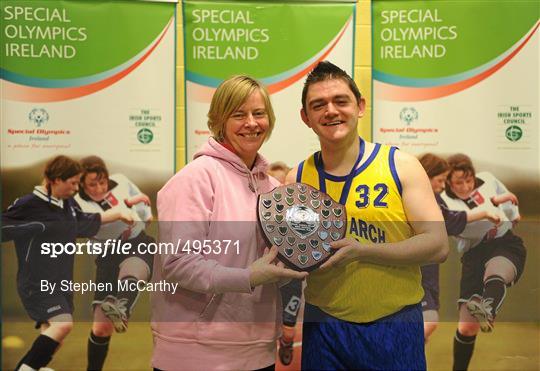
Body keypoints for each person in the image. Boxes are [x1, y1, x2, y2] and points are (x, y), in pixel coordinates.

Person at [285, 61, 448, 370]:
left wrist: (363, 251)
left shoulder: (400, 165)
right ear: (306, 118)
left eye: (340, 101)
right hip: (324, 325)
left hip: (394, 321)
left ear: (359, 106)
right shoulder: (297, 178)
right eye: (318, 105)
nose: (330, 110)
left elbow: (438, 245)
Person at [152, 75, 307, 371]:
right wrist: (249, 276)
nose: (251, 123)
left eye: (259, 113)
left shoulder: (272, 187)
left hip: (258, 349)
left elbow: (276, 263)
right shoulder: (194, 179)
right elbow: (179, 263)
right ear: (219, 120)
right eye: (239, 114)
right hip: (195, 354)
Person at [1, 155, 132, 371]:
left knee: (53, 336)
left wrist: (118, 213)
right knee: (63, 325)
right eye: (72, 183)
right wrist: (30, 229)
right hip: (38, 282)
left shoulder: (67, 204)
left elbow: (86, 222)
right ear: (55, 180)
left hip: (61, 282)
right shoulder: (29, 205)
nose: (75, 188)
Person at [440, 154, 526, 371]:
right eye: (459, 182)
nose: (465, 186)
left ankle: (487, 308)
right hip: (474, 255)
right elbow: (462, 225)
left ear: (473, 175)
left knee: (496, 272)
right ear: (449, 182)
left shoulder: (487, 179)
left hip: (504, 243)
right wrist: (488, 212)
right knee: (467, 327)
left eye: (468, 180)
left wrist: (511, 211)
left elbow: (504, 196)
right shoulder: (445, 201)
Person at [74, 155, 155, 371]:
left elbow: (138, 200)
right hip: (107, 257)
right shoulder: (77, 203)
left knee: (133, 268)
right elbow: (95, 221)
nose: (99, 187)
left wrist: (144, 213)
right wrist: (120, 212)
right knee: (101, 329)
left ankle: (123, 307)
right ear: (81, 183)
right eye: (92, 184)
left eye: (102, 181)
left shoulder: (120, 180)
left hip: (137, 243)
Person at [418, 153, 501, 344]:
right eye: (439, 180)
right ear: (425, 177)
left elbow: (451, 218)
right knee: (428, 323)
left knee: (425, 327)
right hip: (414, 273)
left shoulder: (435, 200)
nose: (442, 186)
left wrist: (485, 213)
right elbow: (449, 220)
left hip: (428, 272)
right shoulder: (412, 199)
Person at [266, 161, 303, 366]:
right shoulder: (258, 213)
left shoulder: (301, 214)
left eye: (283, 184)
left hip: (290, 281)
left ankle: (286, 343)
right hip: (264, 280)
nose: (279, 188)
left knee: (288, 333)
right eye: (274, 184)